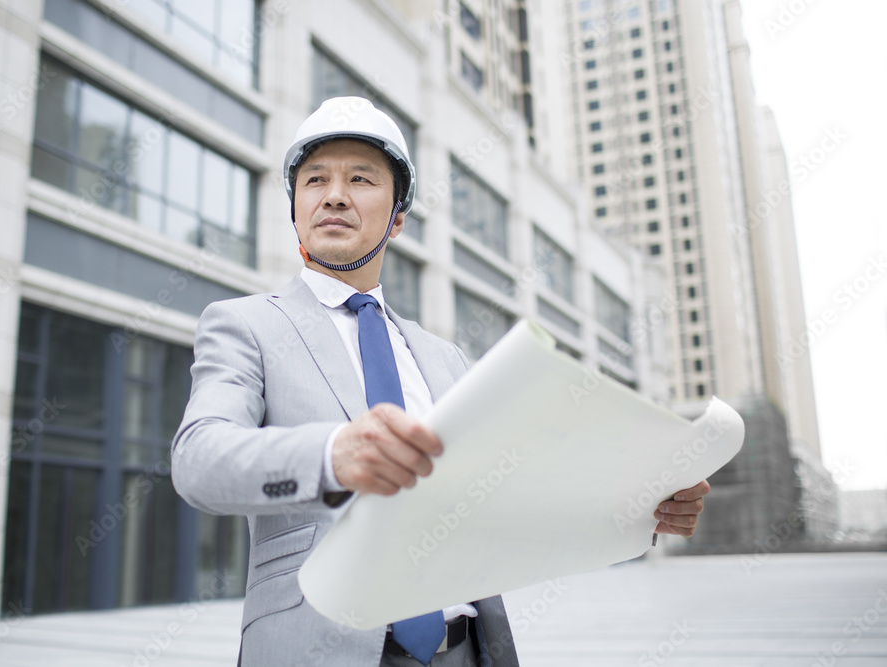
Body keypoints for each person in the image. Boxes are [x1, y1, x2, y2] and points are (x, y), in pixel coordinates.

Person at [171, 97, 710, 666]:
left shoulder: (445, 358)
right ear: (296, 208)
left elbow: (514, 493)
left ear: (397, 218)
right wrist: (332, 456)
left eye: (360, 178)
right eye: (315, 180)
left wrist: (641, 503)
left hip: (468, 651)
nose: (334, 194)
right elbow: (198, 460)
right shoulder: (245, 325)